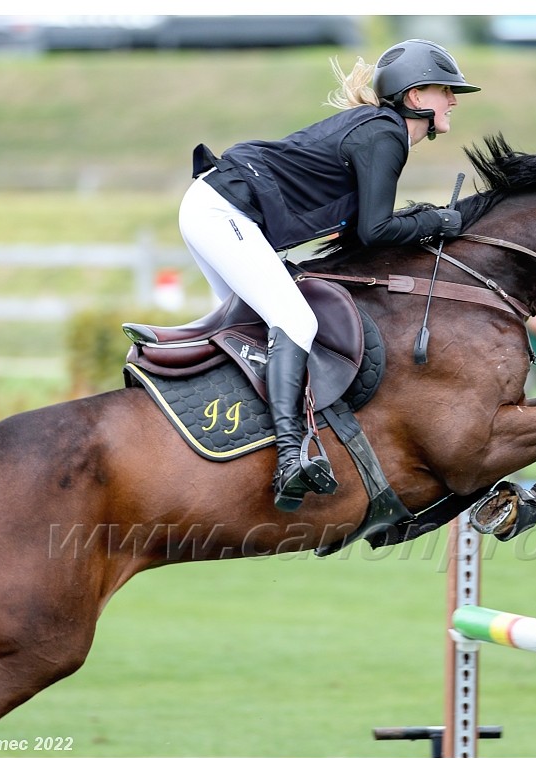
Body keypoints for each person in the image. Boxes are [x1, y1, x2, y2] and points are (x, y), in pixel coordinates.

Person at [178, 40, 480, 512]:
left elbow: (364, 232)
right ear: (417, 97)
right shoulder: (386, 135)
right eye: (447, 90)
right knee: (295, 323)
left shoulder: (379, 131)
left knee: (254, 327)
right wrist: (439, 222)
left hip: (214, 207)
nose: (455, 100)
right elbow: (375, 228)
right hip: (222, 211)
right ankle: (289, 458)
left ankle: (232, 436)